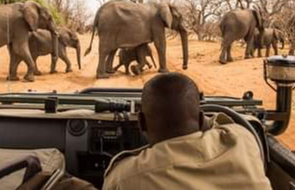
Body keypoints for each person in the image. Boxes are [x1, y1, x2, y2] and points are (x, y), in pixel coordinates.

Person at [103, 73, 272, 190]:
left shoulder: (124, 178)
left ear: (141, 123)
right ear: (200, 119)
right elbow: (219, 123)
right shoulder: (242, 139)